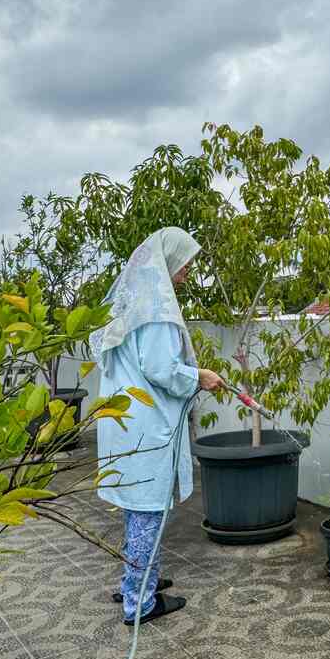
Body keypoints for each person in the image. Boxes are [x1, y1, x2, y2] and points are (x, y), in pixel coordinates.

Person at [90, 227, 223, 625]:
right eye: (184, 264)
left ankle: (138, 577)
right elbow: (161, 368)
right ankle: (139, 603)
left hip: (124, 420)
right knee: (147, 509)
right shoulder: (158, 314)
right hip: (146, 426)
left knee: (137, 507)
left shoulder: (133, 306)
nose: (186, 272)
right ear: (165, 264)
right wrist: (200, 376)